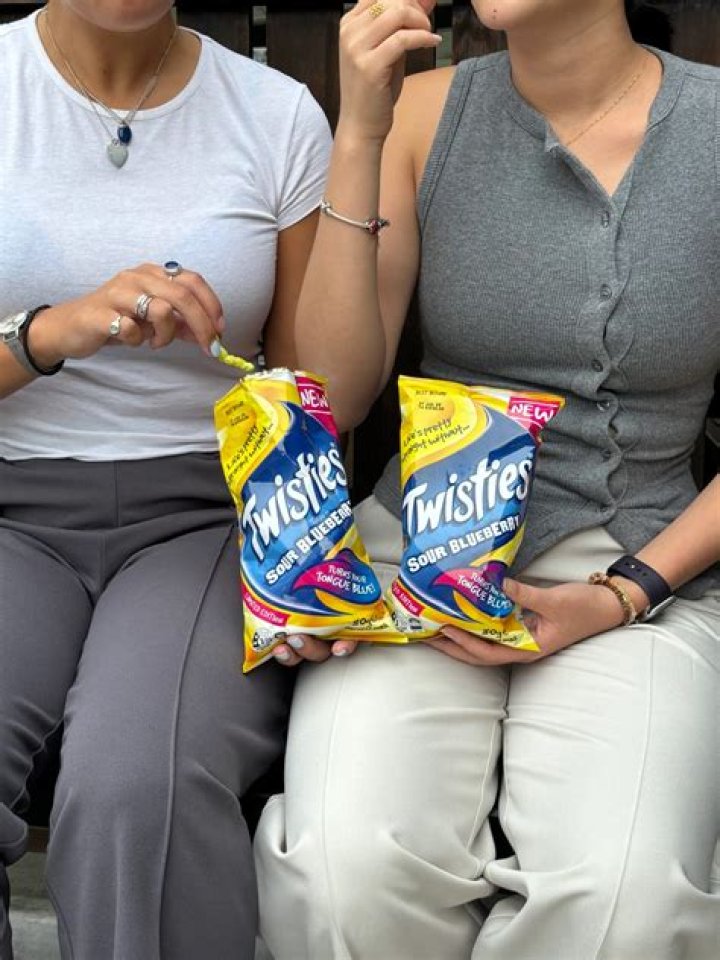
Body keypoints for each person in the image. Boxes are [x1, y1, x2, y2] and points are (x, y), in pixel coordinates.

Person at [253, 1, 720, 958]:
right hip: (420, 557)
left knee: (624, 897)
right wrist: (360, 133)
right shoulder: (421, 117)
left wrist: (625, 592)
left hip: (644, 572)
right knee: (347, 873)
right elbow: (334, 393)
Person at [0, 1, 331, 958]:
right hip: (12, 506)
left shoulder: (274, 114)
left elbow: (309, 390)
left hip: (202, 519)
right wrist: (51, 332)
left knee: (137, 781)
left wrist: (307, 566)